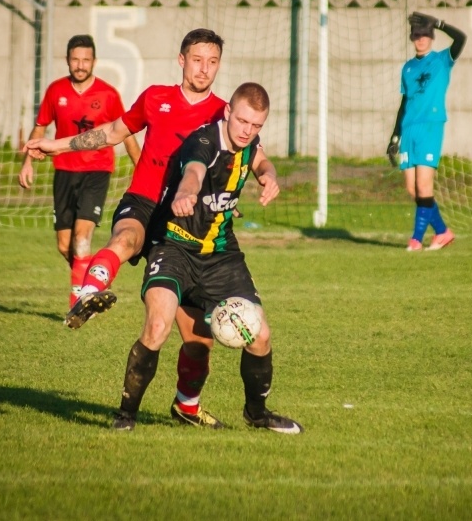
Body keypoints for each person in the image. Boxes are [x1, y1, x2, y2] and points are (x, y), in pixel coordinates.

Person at [111, 82, 303, 435]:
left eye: (256, 125)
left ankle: (256, 414)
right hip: (174, 248)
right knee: (157, 327)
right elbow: (193, 172)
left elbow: (262, 161)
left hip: (221, 256)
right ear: (228, 112)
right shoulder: (203, 142)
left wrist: (269, 177)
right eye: (242, 121)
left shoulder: (250, 142)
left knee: (259, 336)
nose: (247, 131)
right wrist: (186, 194)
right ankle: (125, 416)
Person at [23, 28, 227, 329]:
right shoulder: (156, 97)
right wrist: (57, 145)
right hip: (144, 198)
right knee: (123, 239)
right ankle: (89, 295)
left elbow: (249, 157)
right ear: (181, 60)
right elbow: (111, 133)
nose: (204, 68)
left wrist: (264, 176)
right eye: (197, 59)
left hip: (188, 217)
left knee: (189, 337)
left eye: (212, 61)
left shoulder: (223, 113)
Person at [18, 34, 141, 308]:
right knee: (65, 246)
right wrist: (27, 162)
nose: (81, 65)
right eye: (76, 59)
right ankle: (95, 282)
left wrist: (141, 168)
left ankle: (81, 302)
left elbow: (127, 134)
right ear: (67, 60)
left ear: (94, 61)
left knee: (82, 238)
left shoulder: (109, 94)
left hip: (97, 171)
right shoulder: (55, 91)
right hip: (64, 171)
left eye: (86, 60)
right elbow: (40, 127)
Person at [387, 12, 466, 252]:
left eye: (424, 34)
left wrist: (440, 23)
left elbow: (461, 39)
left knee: (424, 187)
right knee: (413, 189)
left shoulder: (442, 60)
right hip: (409, 130)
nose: (420, 39)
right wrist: (395, 137)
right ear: (412, 38)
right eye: (416, 35)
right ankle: (442, 232)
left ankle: (416, 239)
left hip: (430, 127)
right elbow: (404, 103)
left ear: (431, 37)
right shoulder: (408, 68)